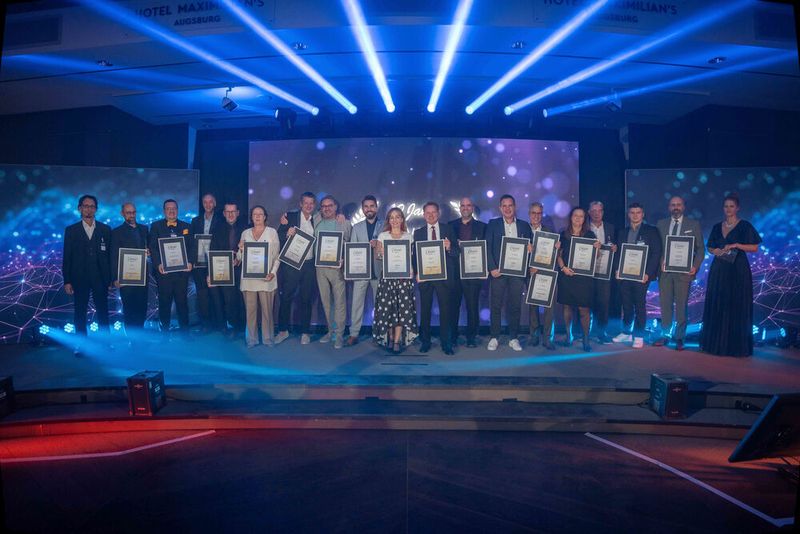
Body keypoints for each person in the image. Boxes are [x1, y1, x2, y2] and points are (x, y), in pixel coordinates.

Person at [700, 193, 761, 357]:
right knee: (718, 302)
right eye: (726, 206)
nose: (728, 209)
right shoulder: (716, 226)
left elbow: (754, 247)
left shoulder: (745, 226)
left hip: (738, 270)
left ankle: (736, 347)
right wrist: (716, 251)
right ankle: (715, 345)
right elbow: (710, 247)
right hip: (719, 269)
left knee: (736, 303)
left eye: (731, 206)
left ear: (738, 208)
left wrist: (736, 245)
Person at [62, 194, 112, 356]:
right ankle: (81, 345)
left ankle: (106, 344)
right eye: (85, 206)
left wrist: (111, 278)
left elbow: (110, 256)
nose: (88, 209)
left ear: (96, 209)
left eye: (92, 206)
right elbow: (67, 256)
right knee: (80, 312)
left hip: (100, 277)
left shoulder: (105, 229)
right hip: (79, 277)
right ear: (80, 208)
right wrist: (67, 280)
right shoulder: (71, 230)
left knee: (103, 311)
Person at [655, 196, 705, 351]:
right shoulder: (661, 224)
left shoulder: (693, 224)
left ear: (683, 207)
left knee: (681, 306)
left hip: (684, 272)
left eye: (678, 204)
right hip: (665, 272)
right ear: (669, 207)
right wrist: (661, 260)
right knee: (665, 305)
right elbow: (657, 247)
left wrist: (695, 267)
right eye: (672, 205)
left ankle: (680, 338)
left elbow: (700, 249)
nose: (675, 207)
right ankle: (665, 335)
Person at [485, 194, 533, 352]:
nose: (507, 208)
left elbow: (530, 247)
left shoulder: (525, 226)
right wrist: (492, 268)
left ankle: (513, 337)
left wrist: (530, 249)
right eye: (504, 206)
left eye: (510, 205)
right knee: (496, 305)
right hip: (498, 272)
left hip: (517, 273)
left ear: (515, 206)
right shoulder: (493, 224)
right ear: (500, 208)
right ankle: (494, 337)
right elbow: (487, 247)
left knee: (515, 306)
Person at [613, 203, 661, 348]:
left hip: (642, 275)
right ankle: (627, 332)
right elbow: (618, 253)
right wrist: (617, 269)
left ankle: (638, 335)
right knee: (626, 305)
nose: (635, 215)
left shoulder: (651, 231)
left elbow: (656, 253)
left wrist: (648, 273)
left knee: (639, 304)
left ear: (643, 214)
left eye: (638, 212)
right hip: (625, 274)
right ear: (628, 215)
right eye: (632, 212)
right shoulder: (622, 232)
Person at [413, 202, 456, 355]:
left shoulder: (448, 229)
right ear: (424, 215)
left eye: (433, 212)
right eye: (427, 213)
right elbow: (415, 256)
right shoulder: (418, 233)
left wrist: (450, 247)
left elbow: (457, 252)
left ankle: (447, 343)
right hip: (425, 278)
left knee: (446, 311)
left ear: (438, 213)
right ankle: (425, 342)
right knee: (425, 311)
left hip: (443, 278)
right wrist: (417, 272)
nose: (431, 215)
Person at [373, 207, 418, 353]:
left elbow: (412, 259)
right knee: (388, 311)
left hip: (404, 279)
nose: (395, 220)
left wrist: (411, 270)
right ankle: (391, 338)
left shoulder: (409, 237)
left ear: (402, 219)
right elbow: (378, 257)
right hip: (387, 279)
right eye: (391, 217)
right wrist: (380, 251)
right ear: (388, 220)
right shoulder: (383, 236)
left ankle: (397, 341)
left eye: (398, 217)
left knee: (401, 311)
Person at [276, 192, 319, 345]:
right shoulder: (290, 217)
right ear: (300, 204)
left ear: (314, 205)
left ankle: (305, 332)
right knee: (286, 297)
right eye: (305, 203)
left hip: (309, 264)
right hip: (292, 264)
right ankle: (283, 330)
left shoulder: (318, 219)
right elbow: (278, 236)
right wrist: (286, 233)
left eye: (311, 203)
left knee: (306, 298)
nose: (308, 206)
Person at [556, 207, 601, 352]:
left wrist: (597, 248)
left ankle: (586, 339)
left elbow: (596, 257)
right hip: (567, 275)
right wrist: (563, 268)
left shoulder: (590, 235)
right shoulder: (563, 234)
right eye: (575, 215)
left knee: (584, 309)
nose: (578, 218)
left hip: (583, 278)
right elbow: (558, 255)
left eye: (581, 216)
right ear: (571, 217)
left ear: (584, 219)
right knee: (567, 307)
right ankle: (569, 336)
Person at [149, 199, 193, 338]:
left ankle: (185, 332)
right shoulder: (155, 226)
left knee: (182, 302)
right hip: (164, 273)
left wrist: (190, 262)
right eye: (168, 208)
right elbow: (153, 248)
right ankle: (164, 333)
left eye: (174, 208)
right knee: (164, 303)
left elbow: (192, 247)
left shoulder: (187, 226)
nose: (171, 211)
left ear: (177, 210)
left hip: (181, 273)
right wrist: (158, 264)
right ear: (164, 211)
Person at [238, 206, 281, 348]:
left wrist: (273, 272)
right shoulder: (245, 233)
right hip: (248, 279)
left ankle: (268, 338)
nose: (257, 216)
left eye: (260, 214)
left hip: (266, 278)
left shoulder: (272, 232)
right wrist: (241, 248)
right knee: (250, 311)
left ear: (265, 217)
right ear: (251, 217)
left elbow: (277, 257)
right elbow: (239, 258)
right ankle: (252, 339)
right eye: (254, 214)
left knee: (267, 311)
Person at [448, 196, 486, 348]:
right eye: (462, 205)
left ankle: (471, 337)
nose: (465, 208)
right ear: (459, 208)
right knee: (453, 307)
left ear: (472, 208)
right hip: (455, 273)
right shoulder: (450, 226)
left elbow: (485, 249)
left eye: (468, 205)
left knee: (472, 307)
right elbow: (448, 250)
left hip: (473, 273)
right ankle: (453, 336)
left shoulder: (482, 227)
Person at [314, 194, 352, 349]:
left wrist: (344, 259)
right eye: (323, 206)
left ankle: (339, 334)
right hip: (320, 267)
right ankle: (331, 331)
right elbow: (302, 212)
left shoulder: (344, 222)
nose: (326, 208)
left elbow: (350, 243)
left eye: (330, 205)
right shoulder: (316, 220)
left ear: (336, 207)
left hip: (337, 267)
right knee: (325, 301)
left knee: (339, 302)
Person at [347, 195, 382, 346]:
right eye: (366, 206)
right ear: (363, 209)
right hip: (361, 271)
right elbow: (353, 249)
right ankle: (354, 334)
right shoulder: (357, 227)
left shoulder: (384, 226)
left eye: (372, 206)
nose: (369, 209)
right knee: (357, 304)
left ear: (376, 207)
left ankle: (379, 333)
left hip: (379, 271)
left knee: (380, 305)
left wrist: (379, 246)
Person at [209, 201, 247, 336]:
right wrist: (211, 273)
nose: (231, 214)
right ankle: (232, 327)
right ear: (224, 214)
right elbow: (212, 251)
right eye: (228, 212)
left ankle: (242, 328)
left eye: (233, 211)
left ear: (238, 213)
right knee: (229, 300)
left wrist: (239, 259)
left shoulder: (246, 229)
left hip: (243, 270)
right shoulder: (216, 230)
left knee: (242, 300)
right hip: (224, 271)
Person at [110, 202, 149, 334]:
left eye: (133, 212)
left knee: (142, 307)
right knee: (129, 308)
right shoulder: (116, 232)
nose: (131, 215)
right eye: (128, 212)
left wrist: (148, 252)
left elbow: (149, 249)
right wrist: (115, 277)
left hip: (142, 277)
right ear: (122, 214)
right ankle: (132, 338)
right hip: (125, 277)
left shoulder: (144, 229)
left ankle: (139, 333)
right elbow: (114, 256)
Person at [190, 193, 223, 333]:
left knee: (216, 295)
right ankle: (205, 325)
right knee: (202, 295)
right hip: (199, 264)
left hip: (215, 263)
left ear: (214, 203)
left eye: (211, 202)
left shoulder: (221, 220)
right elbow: (192, 243)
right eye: (205, 202)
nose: (208, 205)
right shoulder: (195, 221)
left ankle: (220, 325)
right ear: (202, 204)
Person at [527, 202, 558, 350]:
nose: (536, 216)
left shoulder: (550, 232)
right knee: (532, 306)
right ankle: (534, 336)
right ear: (529, 214)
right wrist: (529, 264)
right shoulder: (523, 230)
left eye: (539, 213)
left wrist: (557, 248)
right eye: (533, 213)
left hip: (546, 274)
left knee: (549, 308)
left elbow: (553, 256)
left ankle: (548, 338)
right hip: (530, 273)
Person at [588, 201, 617, 344]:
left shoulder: (611, 227)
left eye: (599, 210)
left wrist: (614, 248)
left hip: (605, 272)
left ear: (603, 212)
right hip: (587, 272)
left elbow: (614, 246)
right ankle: (586, 331)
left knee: (604, 303)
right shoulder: (584, 227)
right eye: (593, 211)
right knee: (587, 302)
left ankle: (601, 331)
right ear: (589, 212)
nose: (596, 213)